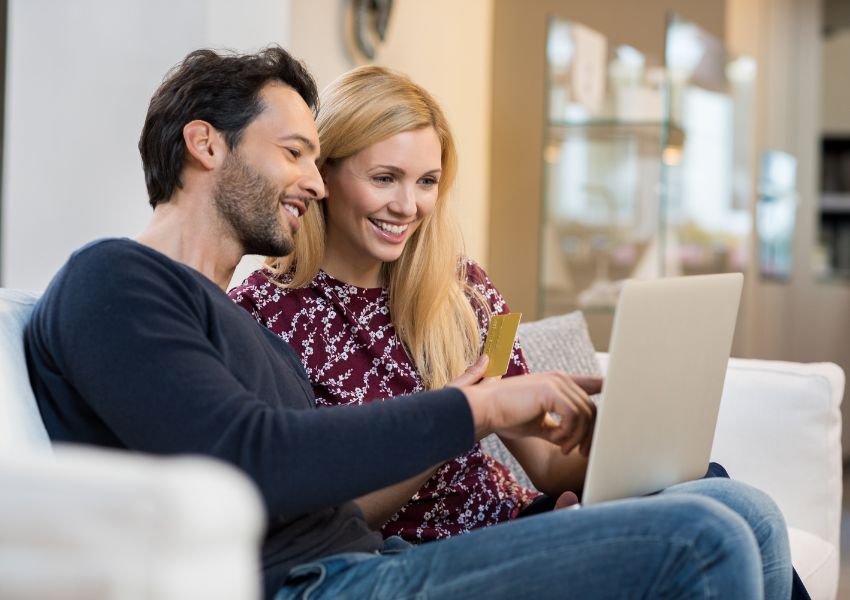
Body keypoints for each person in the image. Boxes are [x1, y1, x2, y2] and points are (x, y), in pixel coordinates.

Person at [24, 46, 793, 600]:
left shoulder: (232, 324)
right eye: (295, 153)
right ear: (204, 143)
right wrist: (477, 408)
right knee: (706, 538)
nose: (311, 184)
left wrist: (553, 502)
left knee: (740, 512)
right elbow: (252, 461)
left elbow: (308, 478)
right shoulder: (114, 279)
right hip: (320, 583)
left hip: (370, 562)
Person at [229, 65, 595, 544]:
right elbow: (325, 522)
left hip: (523, 524)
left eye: (427, 182)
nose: (408, 207)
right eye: (385, 178)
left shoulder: (468, 290)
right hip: (419, 559)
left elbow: (547, 464)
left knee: (714, 492)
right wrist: (456, 420)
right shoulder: (262, 315)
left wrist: (607, 444)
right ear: (323, 175)